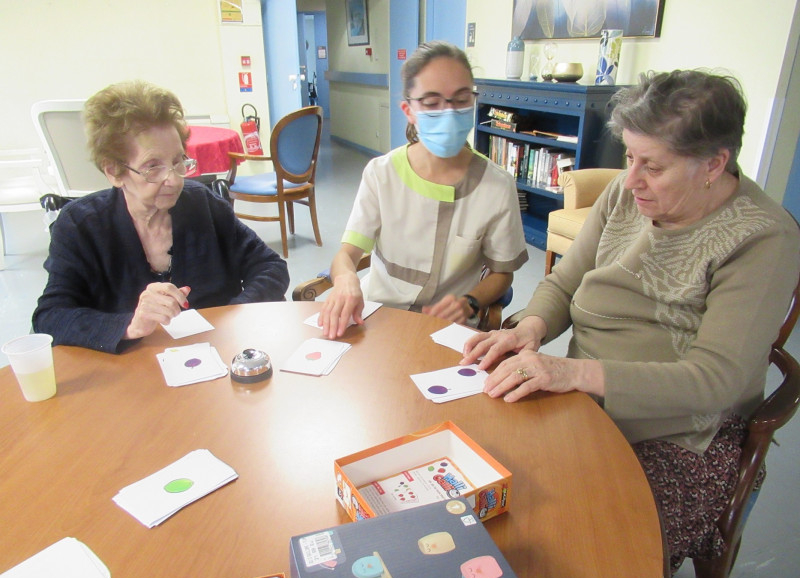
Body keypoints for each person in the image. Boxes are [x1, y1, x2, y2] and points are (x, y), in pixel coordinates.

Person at [461, 69, 800, 573]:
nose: (632, 178)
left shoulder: (763, 238)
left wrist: (572, 373)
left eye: (654, 166)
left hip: (679, 435)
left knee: (588, 547)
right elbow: (562, 283)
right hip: (583, 401)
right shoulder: (626, 192)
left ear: (714, 164)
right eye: (629, 157)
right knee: (485, 494)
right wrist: (529, 328)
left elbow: (715, 381)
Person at [33, 80, 289, 353]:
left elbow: (270, 268)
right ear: (114, 172)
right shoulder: (80, 226)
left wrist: (229, 316)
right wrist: (130, 324)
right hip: (131, 374)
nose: (173, 180)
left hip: (215, 360)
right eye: (152, 166)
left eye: (179, 162)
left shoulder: (204, 206)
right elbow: (50, 317)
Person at [319, 41, 528, 340]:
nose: (448, 112)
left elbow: (501, 273)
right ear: (409, 111)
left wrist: (470, 302)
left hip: (446, 331)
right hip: (378, 317)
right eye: (431, 103)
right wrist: (346, 279)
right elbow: (347, 254)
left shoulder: (496, 185)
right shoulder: (382, 173)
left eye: (461, 99)